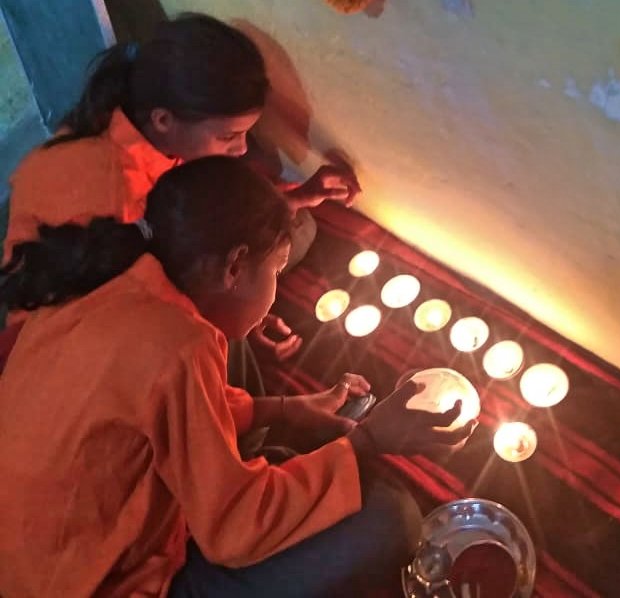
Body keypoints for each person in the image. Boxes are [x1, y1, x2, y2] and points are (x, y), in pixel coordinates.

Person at [0, 156, 475, 597]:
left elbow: (152, 406)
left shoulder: (111, 275)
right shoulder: (180, 346)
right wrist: (369, 440)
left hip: (26, 541)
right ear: (234, 266)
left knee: (231, 344)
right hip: (92, 581)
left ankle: (270, 466)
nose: (278, 288)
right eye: (277, 271)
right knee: (392, 521)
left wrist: (285, 410)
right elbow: (234, 529)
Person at [1, 12, 360, 370]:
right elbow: (149, 318)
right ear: (163, 120)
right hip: (62, 348)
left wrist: (298, 198)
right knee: (226, 347)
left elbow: (208, 224)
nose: (241, 150)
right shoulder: (117, 199)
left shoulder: (136, 119)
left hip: (124, 291)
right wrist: (241, 318)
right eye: (228, 136)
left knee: (298, 228)